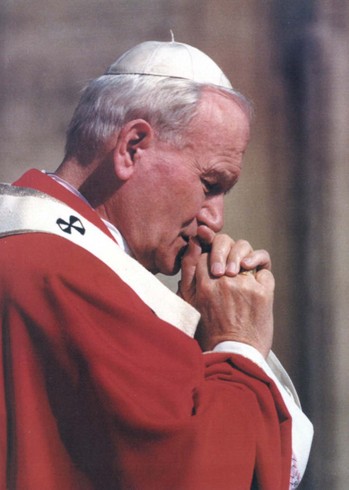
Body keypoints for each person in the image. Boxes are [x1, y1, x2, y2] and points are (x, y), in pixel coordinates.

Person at [0, 40, 313, 489]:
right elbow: (192, 472)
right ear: (132, 146)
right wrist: (237, 346)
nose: (215, 220)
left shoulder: (30, 250)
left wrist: (194, 334)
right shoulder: (64, 278)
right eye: (210, 184)